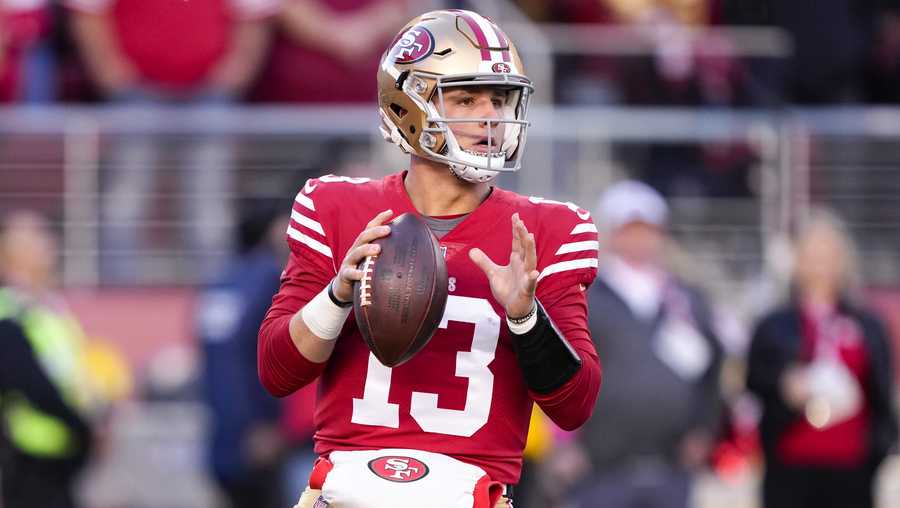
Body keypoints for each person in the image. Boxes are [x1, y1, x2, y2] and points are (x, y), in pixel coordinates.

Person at [257, 9, 602, 508]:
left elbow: (575, 406)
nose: (490, 117)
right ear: (408, 105)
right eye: (466, 99)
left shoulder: (549, 231)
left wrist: (526, 318)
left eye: (500, 100)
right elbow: (277, 371)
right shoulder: (335, 207)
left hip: (471, 495)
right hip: (347, 491)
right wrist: (338, 295)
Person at [65, 0, 277, 282]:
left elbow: (255, 14)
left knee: (209, 208)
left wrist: (234, 73)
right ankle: (117, 297)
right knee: (125, 203)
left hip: (209, 96)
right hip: (136, 96)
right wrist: (112, 73)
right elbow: (88, 11)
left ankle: (213, 304)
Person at [561, 180, 724, 508]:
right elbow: (558, 368)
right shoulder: (584, 298)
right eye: (630, 229)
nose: (639, 239)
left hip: (672, 464)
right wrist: (564, 443)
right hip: (600, 466)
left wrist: (704, 429)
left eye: (647, 229)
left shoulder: (686, 300)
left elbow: (713, 369)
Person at [746, 210, 898, 508]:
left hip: (852, 467)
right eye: (811, 253)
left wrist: (880, 447)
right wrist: (786, 385)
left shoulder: (867, 324)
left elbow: (880, 389)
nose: (819, 264)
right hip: (791, 465)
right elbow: (755, 380)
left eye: (827, 253)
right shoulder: (774, 324)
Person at [0, 211, 95, 508]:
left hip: (63, 454)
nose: (49, 245)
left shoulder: (50, 308)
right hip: (29, 457)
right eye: (37, 238)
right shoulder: (9, 312)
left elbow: (70, 372)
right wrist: (82, 426)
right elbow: (32, 384)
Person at [199, 203, 291, 508]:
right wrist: (263, 423)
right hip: (260, 434)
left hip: (222, 431)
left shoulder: (221, 280)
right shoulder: (270, 278)